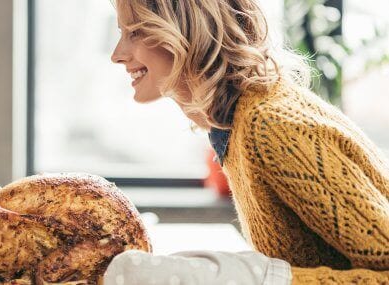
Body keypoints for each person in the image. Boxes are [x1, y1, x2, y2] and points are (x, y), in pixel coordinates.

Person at [104, 0, 389, 284]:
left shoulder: (272, 128)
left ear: (188, 31)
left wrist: (260, 279)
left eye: (135, 32)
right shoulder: (238, 123)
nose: (117, 55)